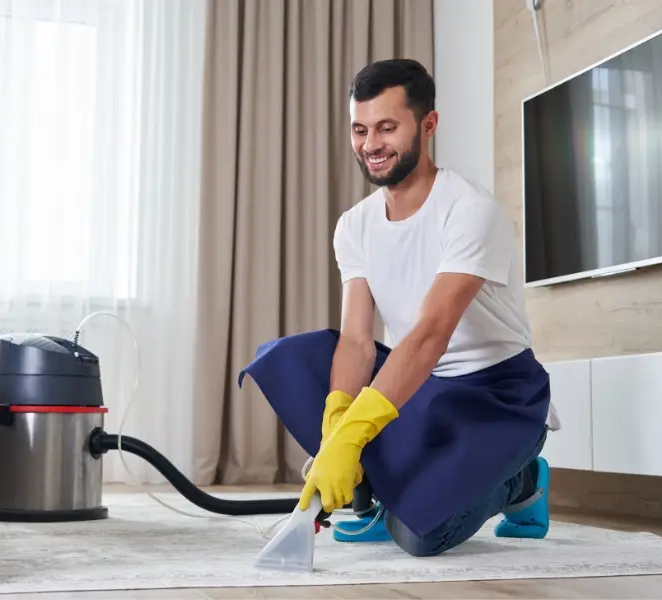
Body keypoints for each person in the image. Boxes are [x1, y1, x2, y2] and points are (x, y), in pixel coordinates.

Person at [237, 58, 560, 557]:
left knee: (421, 535)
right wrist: (336, 424)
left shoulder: (471, 212)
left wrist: (356, 435)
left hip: (494, 393)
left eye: (387, 127)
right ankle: (376, 494)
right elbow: (356, 340)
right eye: (360, 129)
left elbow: (432, 333)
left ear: (428, 125)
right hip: (421, 384)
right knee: (291, 359)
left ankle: (522, 482)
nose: (370, 145)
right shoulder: (355, 225)